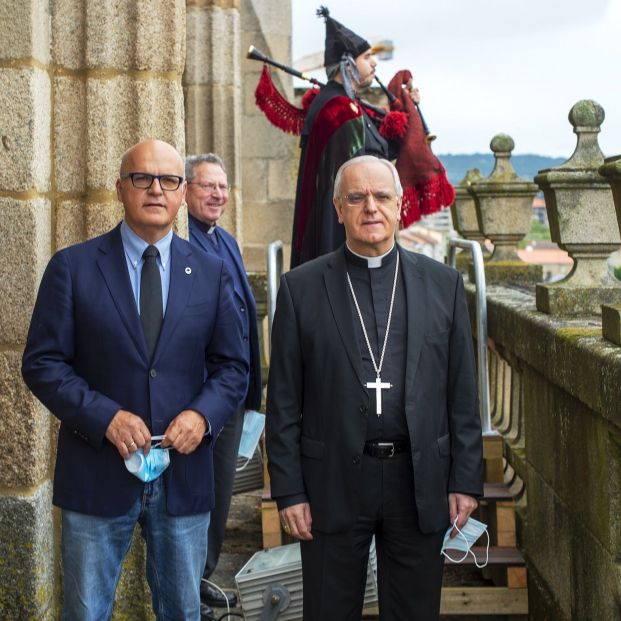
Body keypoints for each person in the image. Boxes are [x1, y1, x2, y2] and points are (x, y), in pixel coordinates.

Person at [21, 139, 249, 621]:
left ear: (182, 192)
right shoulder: (73, 267)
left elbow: (233, 367)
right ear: (121, 189)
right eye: (142, 178)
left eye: (168, 180)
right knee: (86, 613)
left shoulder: (210, 272)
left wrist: (201, 415)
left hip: (184, 475)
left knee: (183, 612)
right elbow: (42, 363)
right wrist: (105, 417)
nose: (155, 190)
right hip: (97, 470)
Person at [266, 156, 483, 620]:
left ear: (400, 205)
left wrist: (464, 479)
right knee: (328, 609)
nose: (371, 207)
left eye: (382, 196)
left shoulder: (442, 285)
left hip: (418, 478)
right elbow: (283, 400)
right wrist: (289, 491)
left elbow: (462, 392)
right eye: (357, 197)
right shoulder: (300, 288)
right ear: (337, 208)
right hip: (332, 481)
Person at [185, 153, 262, 621]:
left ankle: (204, 574)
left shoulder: (226, 240)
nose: (217, 194)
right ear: (187, 190)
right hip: (201, 396)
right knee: (196, 497)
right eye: (207, 186)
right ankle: (188, 586)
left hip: (234, 393)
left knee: (220, 493)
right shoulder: (182, 242)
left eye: (223, 186)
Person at [290, 6, 421, 268]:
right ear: (347, 63)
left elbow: (380, 149)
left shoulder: (344, 105)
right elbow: (357, 178)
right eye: (366, 57)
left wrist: (407, 107)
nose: (374, 63)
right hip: (340, 239)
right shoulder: (339, 110)